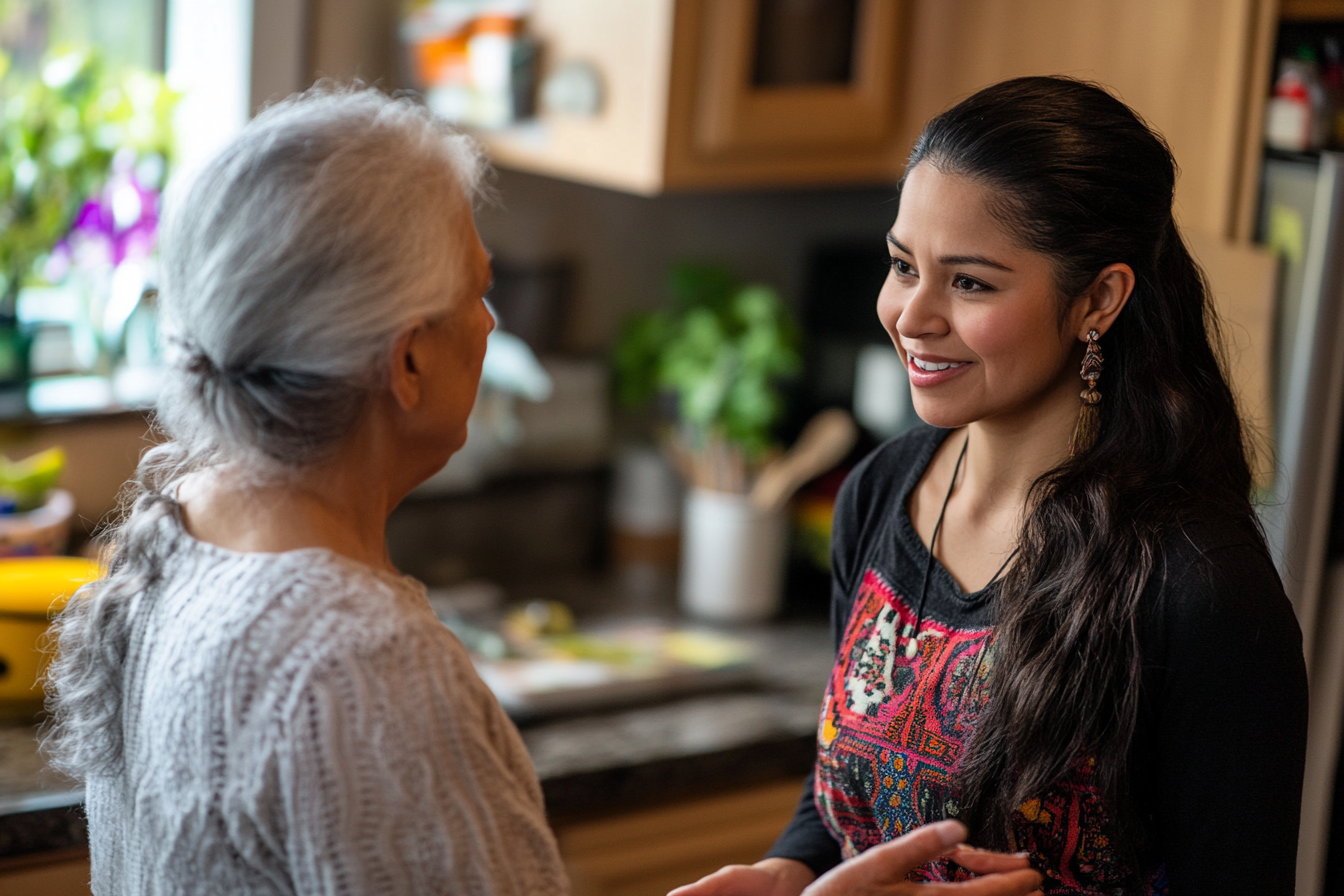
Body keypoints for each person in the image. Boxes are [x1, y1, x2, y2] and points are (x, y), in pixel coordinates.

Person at [42, 86, 1044, 896]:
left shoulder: (179, 533)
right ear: (405, 364)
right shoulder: (352, 662)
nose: (491, 324)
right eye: (475, 292)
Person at [674, 77, 1309, 896]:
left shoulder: (1197, 587)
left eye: (970, 282)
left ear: (1099, 299)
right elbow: (846, 787)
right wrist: (786, 868)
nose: (911, 314)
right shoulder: (880, 492)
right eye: (904, 265)